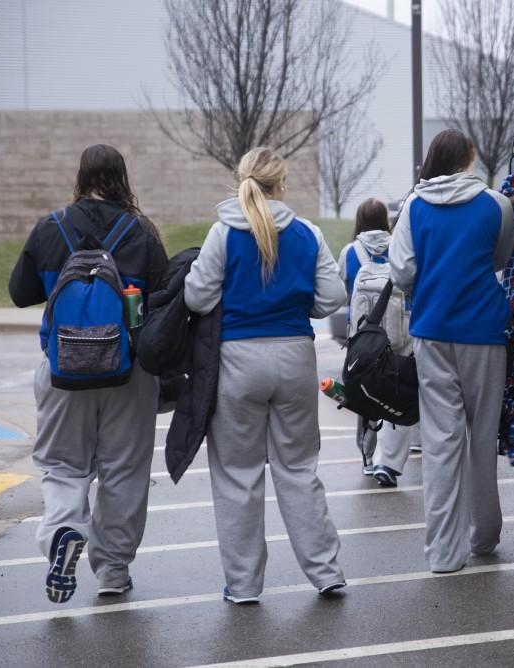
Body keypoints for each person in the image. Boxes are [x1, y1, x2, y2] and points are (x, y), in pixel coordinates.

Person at [184, 146, 348, 603]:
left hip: (237, 360)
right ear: (282, 184)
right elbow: (331, 296)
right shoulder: (309, 233)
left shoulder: (222, 233)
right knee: (298, 469)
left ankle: (243, 585)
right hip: (295, 357)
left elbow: (197, 298)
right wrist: (303, 304)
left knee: (238, 474)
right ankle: (326, 571)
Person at [8, 144, 168, 602]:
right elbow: (160, 303)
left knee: (62, 466)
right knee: (125, 470)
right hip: (129, 372)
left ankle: (63, 532)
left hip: (63, 370)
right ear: (122, 178)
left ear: (81, 178)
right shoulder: (141, 232)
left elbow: (19, 293)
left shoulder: (51, 227)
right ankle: (114, 572)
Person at [389, 129, 514, 573]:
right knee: (482, 434)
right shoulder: (496, 204)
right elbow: (501, 259)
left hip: (432, 330)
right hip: (484, 329)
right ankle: (484, 535)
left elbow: (401, 270)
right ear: (468, 159)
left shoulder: (413, 206)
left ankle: (444, 554)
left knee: (441, 441)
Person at [337, 198, 420, 487]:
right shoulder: (399, 245)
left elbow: (341, 293)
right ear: (386, 220)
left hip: (364, 336)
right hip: (400, 332)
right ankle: (390, 462)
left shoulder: (350, 252)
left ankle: (368, 459)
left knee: (363, 393)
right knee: (398, 390)